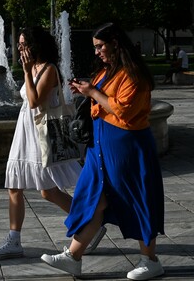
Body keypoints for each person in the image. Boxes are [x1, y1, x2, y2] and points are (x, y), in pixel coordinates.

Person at [41, 23, 164, 280]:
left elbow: (122, 110)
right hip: (101, 149)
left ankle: (150, 260)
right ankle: (73, 257)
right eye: (95, 47)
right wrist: (86, 91)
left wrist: (93, 92)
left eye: (100, 46)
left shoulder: (134, 74)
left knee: (137, 199)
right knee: (93, 200)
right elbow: (99, 101)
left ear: (116, 43)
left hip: (128, 149)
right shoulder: (108, 71)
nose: (97, 52)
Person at [0, 26, 88, 261]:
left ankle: (88, 224)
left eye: (24, 44)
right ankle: (14, 240)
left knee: (48, 191)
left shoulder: (49, 70)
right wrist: (28, 70)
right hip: (25, 131)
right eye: (19, 45)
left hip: (42, 134)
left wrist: (26, 70)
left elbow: (34, 101)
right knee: (14, 184)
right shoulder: (34, 68)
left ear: (36, 45)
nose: (20, 48)